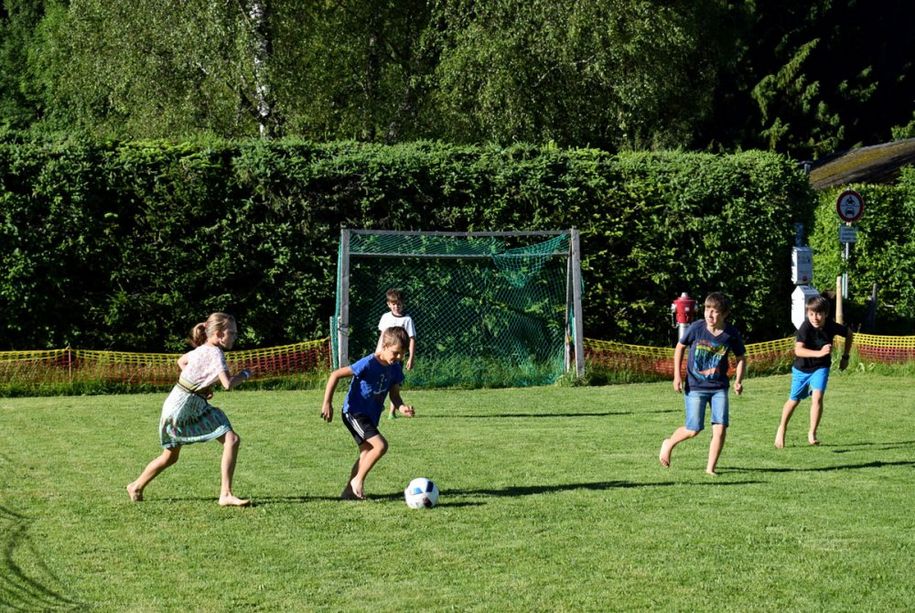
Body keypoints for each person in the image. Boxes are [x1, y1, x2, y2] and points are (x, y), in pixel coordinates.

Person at [127, 312, 253, 507]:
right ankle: (225, 494)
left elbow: (182, 362)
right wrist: (245, 374)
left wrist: (202, 387)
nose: (235, 337)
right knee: (230, 440)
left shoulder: (204, 349)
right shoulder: (215, 353)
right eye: (232, 333)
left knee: (170, 456)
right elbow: (227, 384)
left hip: (181, 402)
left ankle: (136, 486)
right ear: (219, 334)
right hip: (184, 406)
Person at [322, 326, 415, 500]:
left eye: (403, 354)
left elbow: (395, 396)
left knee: (366, 453)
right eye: (396, 352)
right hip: (354, 412)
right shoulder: (368, 363)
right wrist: (327, 403)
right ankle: (357, 481)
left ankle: (348, 493)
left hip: (371, 416)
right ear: (385, 346)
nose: (399, 357)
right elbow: (335, 375)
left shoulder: (395, 368)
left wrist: (402, 408)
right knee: (380, 446)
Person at [659, 292, 746, 476]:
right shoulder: (696, 328)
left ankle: (710, 469)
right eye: (707, 310)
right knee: (693, 429)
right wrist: (677, 376)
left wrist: (738, 380)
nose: (710, 315)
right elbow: (680, 348)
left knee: (720, 427)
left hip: (719, 387)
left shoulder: (731, 334)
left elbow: (740, 358)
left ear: (724, 314)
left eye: (715, 312)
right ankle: (669, 443)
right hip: (695, 386)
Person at [775, 294, 853, 448]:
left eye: (818, 313)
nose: (815, 317)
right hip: (801, 369)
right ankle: (782, 428)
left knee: (817, 397)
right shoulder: (805, 327)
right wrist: (820, 352)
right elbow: (798, 350)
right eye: (811, 314)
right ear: (807, 313)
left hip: (821, 367)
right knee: (794, 400)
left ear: (825, 314)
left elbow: (849, 333)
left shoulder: (831, 326)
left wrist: (845, 357)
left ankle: (812, 432)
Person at [375, 288, 417, 419]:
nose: (396, 307)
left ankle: (392, 412)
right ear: (388, 304)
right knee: (379, 380)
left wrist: (411, 357)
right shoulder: (385, 317)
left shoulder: (407, 320)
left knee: (394, 383)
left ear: (403, 304)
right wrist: (377, 351)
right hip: (383, 356)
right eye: (393, 304)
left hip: (397, 358)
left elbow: (412, 339)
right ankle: (378, 403)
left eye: (398, 304)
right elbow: (382, 336)